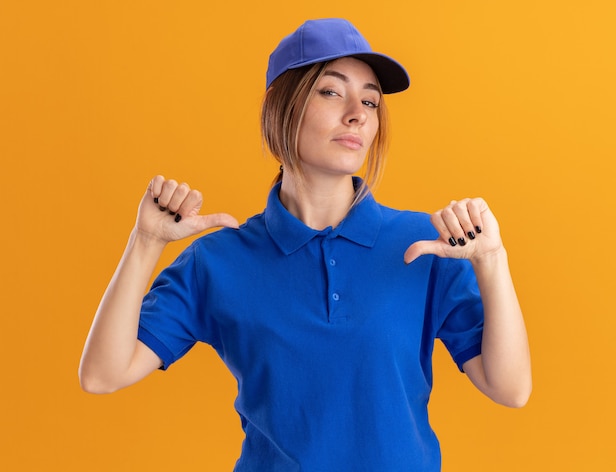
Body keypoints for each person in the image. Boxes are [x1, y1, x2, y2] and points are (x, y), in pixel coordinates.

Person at [79, 18, 531, 471]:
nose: (357, 112)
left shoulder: (427, 248)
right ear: (282, 107)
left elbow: (510, 389)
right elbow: (103, 374)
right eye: (332, 92)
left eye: (371, 101)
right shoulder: (218, 261)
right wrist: (146, 241)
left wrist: (491, 260)